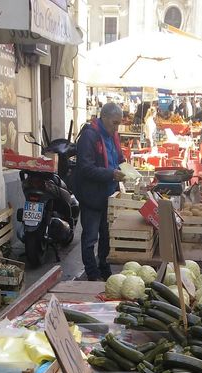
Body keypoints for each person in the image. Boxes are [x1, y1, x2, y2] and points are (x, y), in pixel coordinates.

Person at [75, 102, 125, 281]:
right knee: (90, 238)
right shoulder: (89, 137)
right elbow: (85, 168)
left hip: (108, 195)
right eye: (114, 123)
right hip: (91, 196)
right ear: (103, 118)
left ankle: (104, 268)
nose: (116, 127)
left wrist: (126, 169)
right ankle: (92, 274)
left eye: (119, 123)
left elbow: (118, 158)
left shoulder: (113, 136)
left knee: (106, 236)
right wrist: (111, 174)